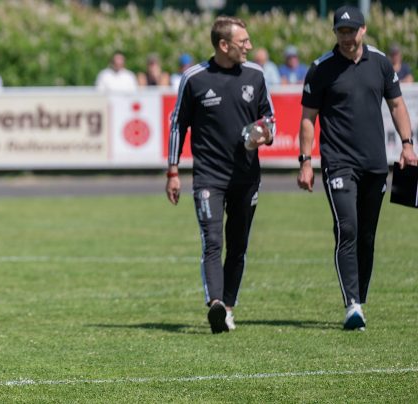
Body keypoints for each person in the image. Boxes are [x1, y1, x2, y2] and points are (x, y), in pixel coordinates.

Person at [295, 6, 416, 331]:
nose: (346, 37)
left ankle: (359, 299)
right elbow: (308, 119)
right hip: (338, 163)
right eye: (341, 31)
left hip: (375, 164)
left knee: (367, 235)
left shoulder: (380, 63)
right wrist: (305, 161)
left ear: (363, 30)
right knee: (347, 228)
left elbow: (396, 104)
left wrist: (407, 145)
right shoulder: (321, 68)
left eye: (351, 31)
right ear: (335, 33)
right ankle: (352, 304)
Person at [166, 16, 274, 334]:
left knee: (238, 245)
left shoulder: (256, 75)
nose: (249, 46)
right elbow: (177, 125)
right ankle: (215, 303)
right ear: (224, 45)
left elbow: (269, 118)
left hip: (246, 177)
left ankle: (227, 309)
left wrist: (264, 132)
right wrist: (173, 170)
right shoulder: (194, 78)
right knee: (212, 241)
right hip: (208, 177)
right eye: (243, 42)